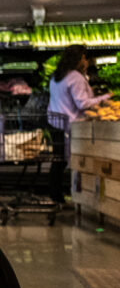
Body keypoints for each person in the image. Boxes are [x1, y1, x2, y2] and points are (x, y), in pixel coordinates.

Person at [47, 44, 111, 203]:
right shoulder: (75, 77)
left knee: (58, 161)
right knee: (72, 162)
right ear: (78, 59)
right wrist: (106, 97)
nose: (87, 61)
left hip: (56, 123)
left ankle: (56, 195)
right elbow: (82, 104)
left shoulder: (57, 75)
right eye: (84, 57)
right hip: (71, 126)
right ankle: (69, 195)